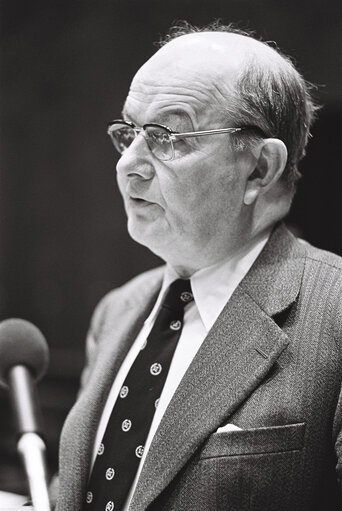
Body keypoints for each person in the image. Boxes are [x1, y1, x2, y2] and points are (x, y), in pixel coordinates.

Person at [54, 21, 342, 511]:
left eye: (167, 136)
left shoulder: (333, 313)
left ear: (259, 169)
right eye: (129, 133)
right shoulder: (117, 311)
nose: (129, 165)